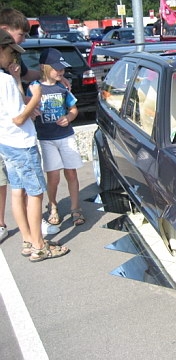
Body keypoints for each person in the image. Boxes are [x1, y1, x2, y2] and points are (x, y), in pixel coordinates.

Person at [0, 29, 69, 261]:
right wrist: (37, 97)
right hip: (21, 144)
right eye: (10, 52)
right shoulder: (5, 80)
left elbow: (15, 109)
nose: (12, 57)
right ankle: (40, 246)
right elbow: (19, 118)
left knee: (18, 192)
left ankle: (28, 241)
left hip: (6, 143)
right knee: (36, 194)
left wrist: (22, 88)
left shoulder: (7, 79)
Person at [28, 48, 85, 226]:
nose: (61, 72)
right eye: (57, 68)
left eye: (62, 69)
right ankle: (53, 206)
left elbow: (73, 109)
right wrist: (32, 112)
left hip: (65, 135)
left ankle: (76, 208)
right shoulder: (34, 88)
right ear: (45, 68)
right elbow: (28, 107)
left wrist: (69, 117)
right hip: (46, 138)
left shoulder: (62, 87)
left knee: (71, 172)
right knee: (53, 175)